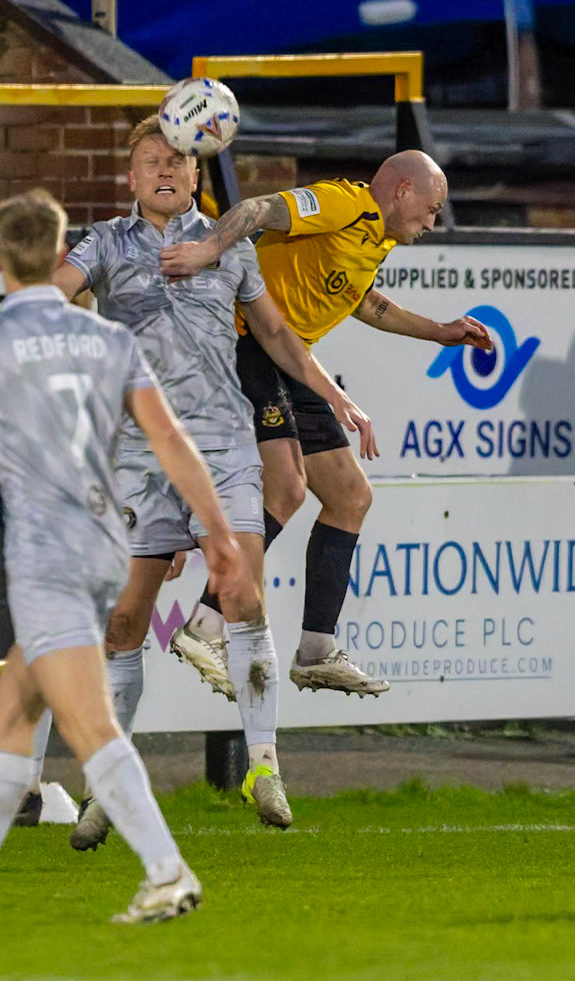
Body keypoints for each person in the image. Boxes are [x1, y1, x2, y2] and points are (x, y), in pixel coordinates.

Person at [34, 114, 377, 842]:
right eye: (150, 161)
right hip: (138, 452)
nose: (164, 170)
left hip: (222, 445)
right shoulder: (104, 244)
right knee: (125, 620)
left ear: (197, 174)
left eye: (178, 161)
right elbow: (53, 292)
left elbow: (279, 335)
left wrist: (336, 395)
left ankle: (263, 767)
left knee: (242, 598)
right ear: (131, 177)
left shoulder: (232, 248)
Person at [0, 189, 233, 922]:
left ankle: (168, 871)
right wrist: (217, 532)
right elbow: (172, 441)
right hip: (106, 540)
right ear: (59, 257)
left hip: (46, 550)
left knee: (87, 723)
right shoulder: (109, 340)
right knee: (13, 709)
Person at [155, 150, 491, 699]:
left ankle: (315, 651)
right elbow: (260, 208)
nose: (432, 224)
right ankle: (206, 623)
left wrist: (441, 332)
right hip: (244, 341)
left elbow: (364, 303)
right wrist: (208, 250)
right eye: (431, 210)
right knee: (286, 487)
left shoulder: (375, 238)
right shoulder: (341, 204)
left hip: (293, 361)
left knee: (351, 495)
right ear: (402, 190)